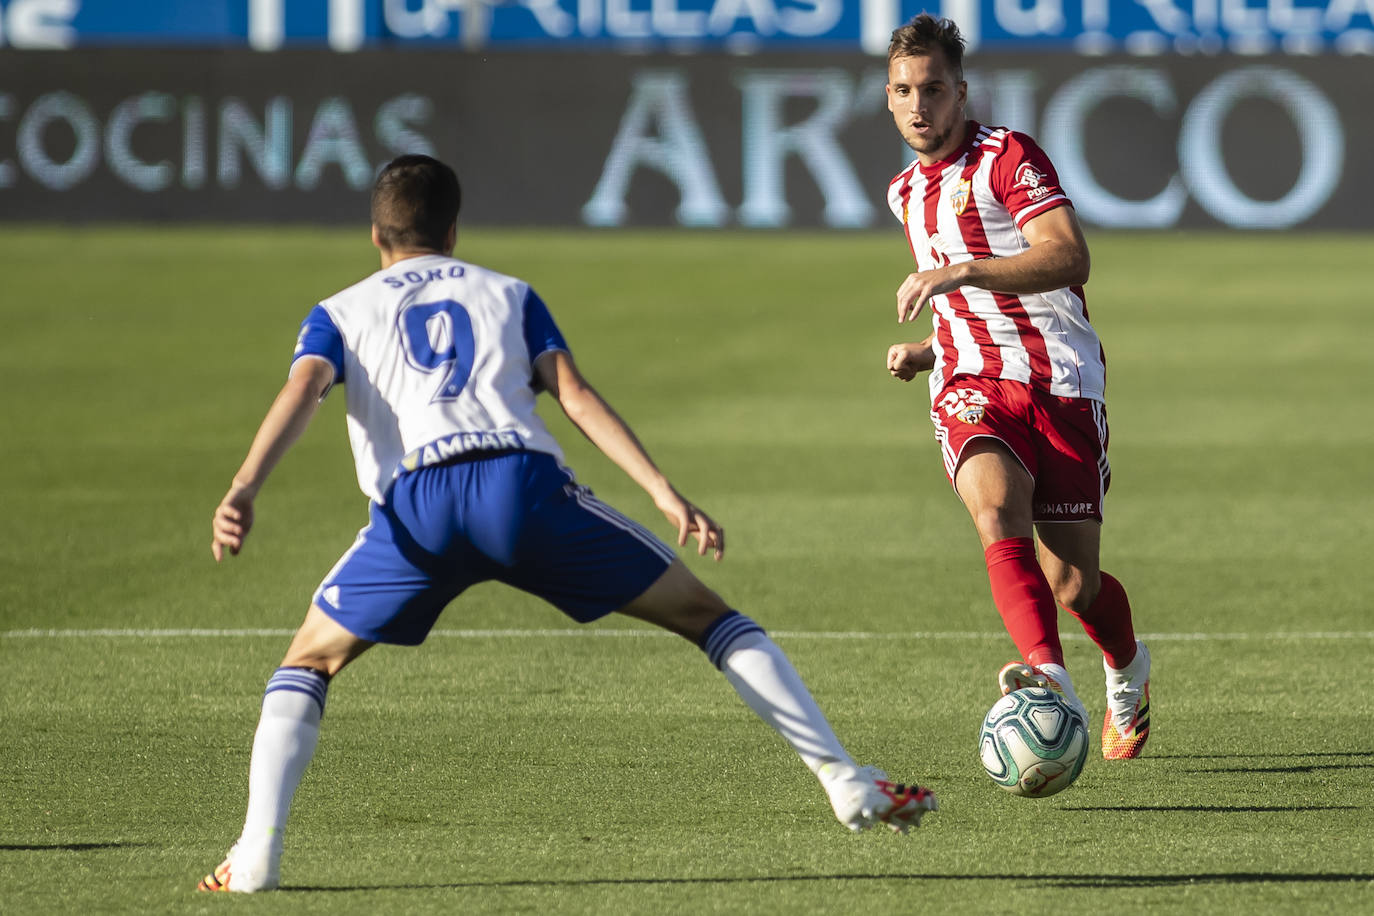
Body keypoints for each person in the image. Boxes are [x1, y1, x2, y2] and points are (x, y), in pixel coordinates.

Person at [199, 154, 935, 893]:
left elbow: (303, 391)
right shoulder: (509, 294)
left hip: (417, 505)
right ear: (453, 231)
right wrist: (662, 491)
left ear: (375, 235)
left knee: (307, 663)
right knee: (708, 618)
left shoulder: (339, 311)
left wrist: (243, 486)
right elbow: (574, 395)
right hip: (521, 488)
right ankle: (840, 778)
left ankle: (258, 851)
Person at [880, 15, 1150, 762]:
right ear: (889, 98)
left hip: (1062, 382)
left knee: (1075, 584)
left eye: (933, 89)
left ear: (961, 93)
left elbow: (1068, 257)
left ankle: (1127, 670)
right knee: (995, 508)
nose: (918, 105)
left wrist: (959, 270)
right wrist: (935, 352)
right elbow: (976, 315)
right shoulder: (906, 192)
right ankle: (1051, 683)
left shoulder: (1006, 157)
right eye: (903, 91)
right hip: (974, 386)